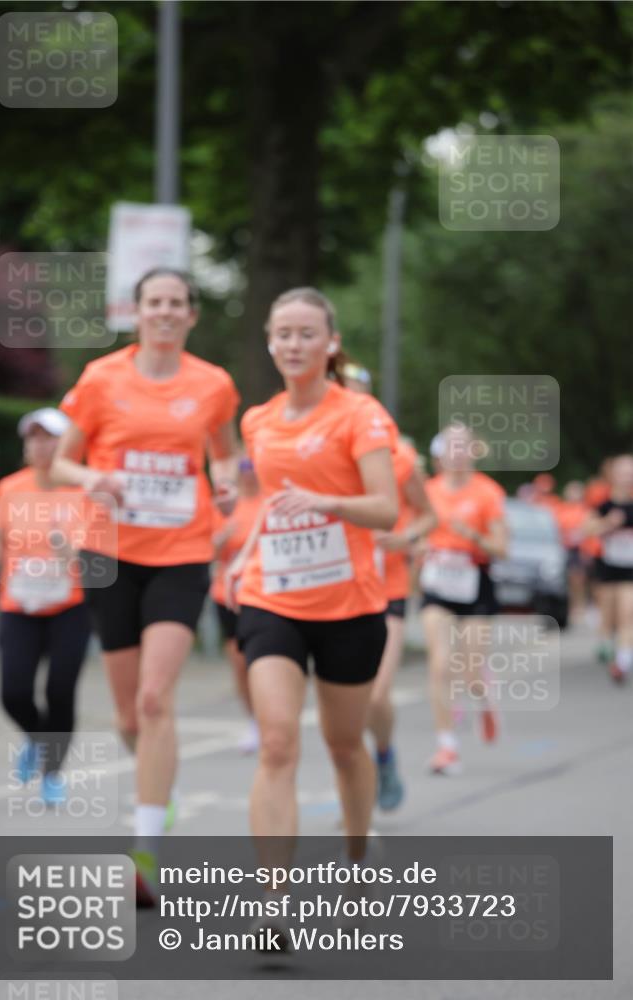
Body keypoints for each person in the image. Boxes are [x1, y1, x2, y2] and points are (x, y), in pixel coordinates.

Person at [51, 268, 239, 904]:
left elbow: (224, 453)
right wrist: (90, 480)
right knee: (130, 713)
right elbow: (61, 460)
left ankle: (145, 847)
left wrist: (230, 483)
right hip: (108, 553)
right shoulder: (103, 378)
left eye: (176, 303)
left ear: (191, 315)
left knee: (157, 700)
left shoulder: (213, 385)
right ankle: (163, 788)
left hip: (181, 553)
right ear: (136, 313)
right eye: (154, 302)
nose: (164, 312)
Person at [226, 287, 398, 945]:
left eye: (306, 334)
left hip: (349, 604)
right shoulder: (257, 420)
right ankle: (274, 902)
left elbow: (384, 509)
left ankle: (356, 860)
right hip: (274, 596)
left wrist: (325, 501)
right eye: (282, 334)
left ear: (329, 344)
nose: (293, 344)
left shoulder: (360, 415)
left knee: (342, 744)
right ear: (269, 342)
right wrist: (242, 556)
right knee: (276, 741)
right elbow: (274, 505)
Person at [0, 408, 91, 805]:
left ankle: (52, 772)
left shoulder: (81, 494)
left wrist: (66, 549)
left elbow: (91, 558)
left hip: (68, 608)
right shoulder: (10, 488)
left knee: (60, 691)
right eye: (34, 438)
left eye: (49, 438)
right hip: (19, 606)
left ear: (66, 446)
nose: (40, 445)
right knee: (13, 692)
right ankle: (38, 739)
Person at [341, 362, 437, 810]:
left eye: (357, 392)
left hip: (388, 588)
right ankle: (355, 798)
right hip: (337, 589)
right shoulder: (316, 450)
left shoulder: (396, 456)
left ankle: (384, 755)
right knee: (341, 708)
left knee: (376, 693)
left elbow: (428, 514)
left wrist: (407, 537)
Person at [420, 424, 508, 774]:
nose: (456, 454)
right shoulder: (428, 491)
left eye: (463, 447)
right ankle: (447, 746)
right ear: (441, 453)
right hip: (438, 584)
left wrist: (473, 536)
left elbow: (502, 547)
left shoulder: (488, 493)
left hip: (475, 582)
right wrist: (420, 546)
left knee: (470, 672)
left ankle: (483, 696)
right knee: (441, 664)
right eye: (450, 447)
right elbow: (415, 531)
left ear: (473, 452)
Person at [210, 455, 263, 753]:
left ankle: (272, 717)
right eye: (243, 468)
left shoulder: (268, 502)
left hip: (262, 594)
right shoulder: (225, 505)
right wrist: (220, 541)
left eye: (253, 468)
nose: (249, 474)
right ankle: (254, 721)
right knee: (240, 664)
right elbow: (206, 551)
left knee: (262, 661)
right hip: (227, 595)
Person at [582, 454, 633, 682]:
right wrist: (608, 523)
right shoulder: (604, 504)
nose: (627, 477)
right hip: (607, 568)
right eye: (623, 472)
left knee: (627, 614)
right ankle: (608, 645)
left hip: (630, 570)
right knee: (609, 617)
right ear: (613, 475)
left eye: (630, 472)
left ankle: (622, 662)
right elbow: (588, 529)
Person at [555, 481, 590, 624]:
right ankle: (568, 606)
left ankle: (579, 606)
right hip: (562, 547)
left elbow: (588, 530)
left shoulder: (585, 510)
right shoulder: (560, 509)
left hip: (579, 549)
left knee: (578, 579)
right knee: (565, 579)